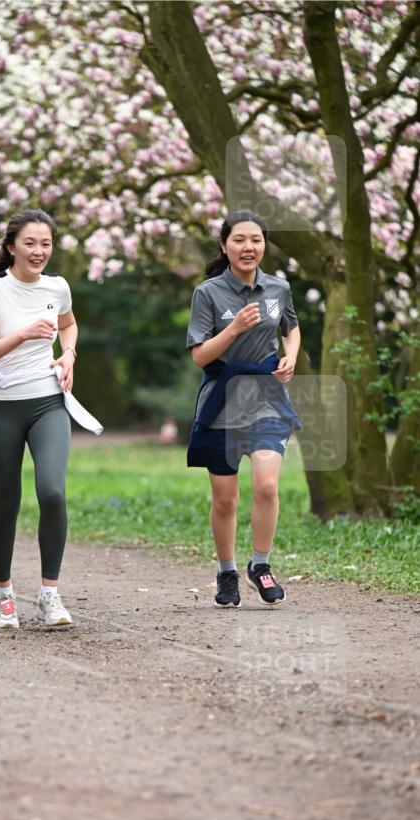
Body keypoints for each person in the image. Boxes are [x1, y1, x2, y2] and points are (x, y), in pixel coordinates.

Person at [0, 209, 102, 629]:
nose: (39, 251)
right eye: (30, 243)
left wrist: (69, 355)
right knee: (6, 503)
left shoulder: (58, 287)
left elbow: (70, 324)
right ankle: (4, 597)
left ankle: (49, 596)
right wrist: (22, 334)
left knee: (52, 492)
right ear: (11, 247)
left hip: (47, 403)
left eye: (46, 243)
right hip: (2, 407)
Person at [186, 210, 301, 608]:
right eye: (239, 240)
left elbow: (291, 326)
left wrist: (290, 357)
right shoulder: (208, 293)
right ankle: (227, 571)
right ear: (224, 245)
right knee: (226, 499)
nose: (248, 247)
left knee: (267, 486)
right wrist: (233, 329)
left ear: (264, 244)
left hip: (267, 397)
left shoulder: (278, 288)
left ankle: (261, 565)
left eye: (255, 239)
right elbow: (200, 356)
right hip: (222, 400)